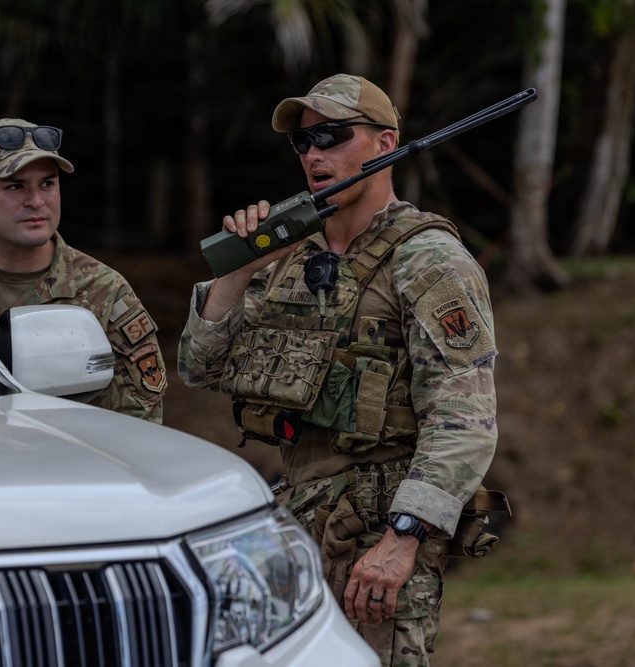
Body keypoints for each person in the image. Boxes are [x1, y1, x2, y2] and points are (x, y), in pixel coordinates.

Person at [177, 74, 502, 665]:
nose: (315, 155)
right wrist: (240, 268)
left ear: (384, 144)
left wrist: (403, 541)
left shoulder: (428, 259)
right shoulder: (285, 254)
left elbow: (464, 419)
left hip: (379, 536)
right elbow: (199, 368)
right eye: (303, 143)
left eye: (331, 136)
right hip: (296, 529)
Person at [0, 118, 167, 423]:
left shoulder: (102, 291)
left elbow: (138, 423)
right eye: (15, 186)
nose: (36, 201)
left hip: (58, 464)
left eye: (47, 184)